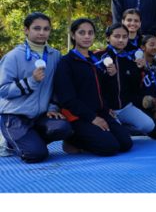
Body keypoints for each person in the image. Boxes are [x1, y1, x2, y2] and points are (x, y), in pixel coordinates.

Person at [0, 12, 73, 163]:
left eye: (46, 29)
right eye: (37, 28)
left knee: (63, 128)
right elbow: (3, 89)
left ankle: (28, 139)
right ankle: (9, 142)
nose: (42, 32)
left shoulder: (55, 55)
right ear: (26, 30)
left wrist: (53, 108)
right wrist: (31, 81)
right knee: (36, 155)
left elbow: (56, 87)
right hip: (14, 116)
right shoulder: (13, 56)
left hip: (39, 116)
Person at [54, 18, 133, 156]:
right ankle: (72, 140)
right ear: (73, 35)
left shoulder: (96, 59)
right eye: (82, 33)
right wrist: (92, 118)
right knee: (110, 147)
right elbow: (67, 98)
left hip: (99, 112)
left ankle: (92, 135)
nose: (86, 36)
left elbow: (102, 89)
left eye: (90, 33)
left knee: (126, 143)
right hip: (78, 116)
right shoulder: (66, 62)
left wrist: (111, 76)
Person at [95, 23, 155, 136]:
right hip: (107, 109)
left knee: (149, 126)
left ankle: (123, 128)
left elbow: (135, 86)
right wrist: (105, 108)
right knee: (119, 138)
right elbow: (93, 86)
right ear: (108, 38)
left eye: (124, 37)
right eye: (117, 36)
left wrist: (140, 70)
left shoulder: (130, 57)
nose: (121, 40)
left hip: (125, 107)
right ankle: (118, 129)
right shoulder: (98, 56)